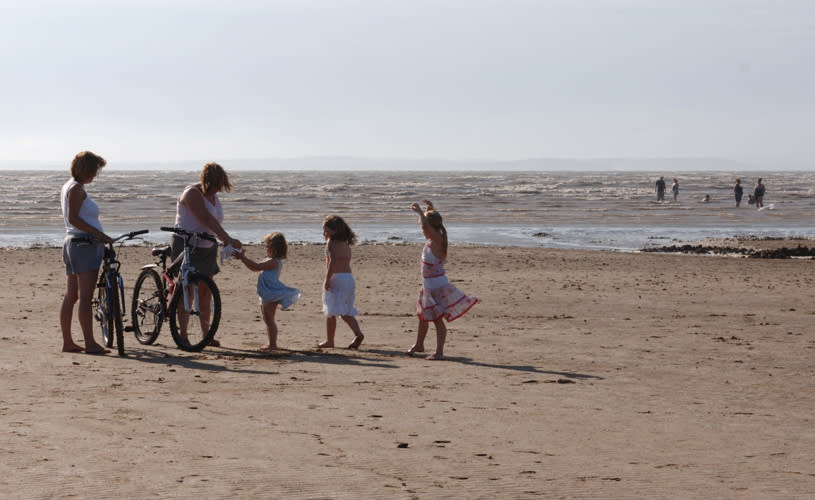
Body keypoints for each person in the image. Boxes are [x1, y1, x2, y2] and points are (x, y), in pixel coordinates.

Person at [172, 162, 242, 347]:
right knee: (186, 291)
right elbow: (206, 218)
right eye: (216, 185)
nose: (217, 190)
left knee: (205, 292)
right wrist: (227, 238)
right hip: (186, 244)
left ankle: (206, 334)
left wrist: (225, 240)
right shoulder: (192, 193)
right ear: (207, 181)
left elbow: (213, 222)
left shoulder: (214, 196)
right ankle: (183, 334)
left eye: (220, 186)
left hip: (207, 246)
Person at [407, 200, 478, 360]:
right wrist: (429, 210)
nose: (423, 230)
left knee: (437, 321)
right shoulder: (435, 237)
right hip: (428, 286)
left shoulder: (437, 240)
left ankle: (439, 352)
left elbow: (426, 226)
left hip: (436, 288)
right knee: (422, 316)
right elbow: (430, 224)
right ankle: (419, 344)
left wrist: (420, 213)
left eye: (424, 227)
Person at [59, 151, 114, 354]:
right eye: (95, 170)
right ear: (86, 169)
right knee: (84, 296)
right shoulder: (76, 189)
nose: (96, 175)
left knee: (72, 295)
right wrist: (98, 234)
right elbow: (74, 218)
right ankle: (89, 342)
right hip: (83, 244)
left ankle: (68, 342)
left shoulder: (71, 186)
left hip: (73, 243)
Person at [234, 233, 301, 351]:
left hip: (271, 293)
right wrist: (243, 259)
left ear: (275, 249)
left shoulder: (275, 262)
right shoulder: (269, 260)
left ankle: (273, 344)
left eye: (267, 247)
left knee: (269, 320)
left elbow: (257, 266)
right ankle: (271, 342)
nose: (266, 249)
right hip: (266, 292)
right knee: (267, 319)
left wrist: (243, 258)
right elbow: (254, 268)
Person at [317, 215, 365, 349]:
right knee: (345, 311)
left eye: (326, 231)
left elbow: (332, 263)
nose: (324, 234)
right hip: (348, 278)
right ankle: (357, 333)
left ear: (334, 231)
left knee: (331, 311)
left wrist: (327, 279)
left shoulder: (331, 243)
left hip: (336, 278)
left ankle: (330, 340)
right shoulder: (345, 243)